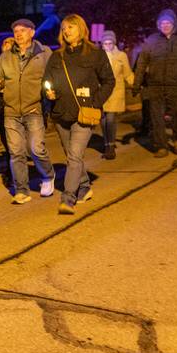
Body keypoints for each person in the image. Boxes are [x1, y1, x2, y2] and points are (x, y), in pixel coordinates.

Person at [43, 14, 115, 215]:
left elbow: (109, 81)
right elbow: (47, 80)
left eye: (71, 27)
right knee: (71, 155)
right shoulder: (57, 57)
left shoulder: (95, 54)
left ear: (82, 29)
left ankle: (68, 198)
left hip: (84, 114)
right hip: (60, 113)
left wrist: (95, 102)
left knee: (74, 156)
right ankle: (84, 187)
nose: (66, 31)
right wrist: (48, 92)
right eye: (64, 28)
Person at [0, 18, 54, 203]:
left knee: (36, 149)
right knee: (16, 152)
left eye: (23, 30)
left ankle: (48, 175)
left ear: (32, 32)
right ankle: (22, 190)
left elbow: (54, 75)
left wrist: (52, 92)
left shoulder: (44, 53)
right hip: (11, 111)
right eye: (16, 31)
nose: (18, 34)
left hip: (34, 108)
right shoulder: (6, 56)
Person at [133, 9, 177, 157]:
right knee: (156, 117)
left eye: (168, 22)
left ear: (174, 24)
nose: (165, 25)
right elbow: (142, 63)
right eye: (162, 23)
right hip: (155, 85)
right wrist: (137, 83)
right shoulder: (152, 40)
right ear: (158, 24)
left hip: (175, 85)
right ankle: (161, 146)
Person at [99, 30, 134, 159]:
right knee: (103, 120)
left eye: (110, 43)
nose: (108, 46)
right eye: (105, 43)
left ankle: (111, 146)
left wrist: (136, 84)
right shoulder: (98, 56)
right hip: (101, 92)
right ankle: (106, 143)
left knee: (111, 119)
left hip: (115, 92)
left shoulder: (121, 56)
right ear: (101, 44)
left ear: (114, 43)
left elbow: (127, 73)